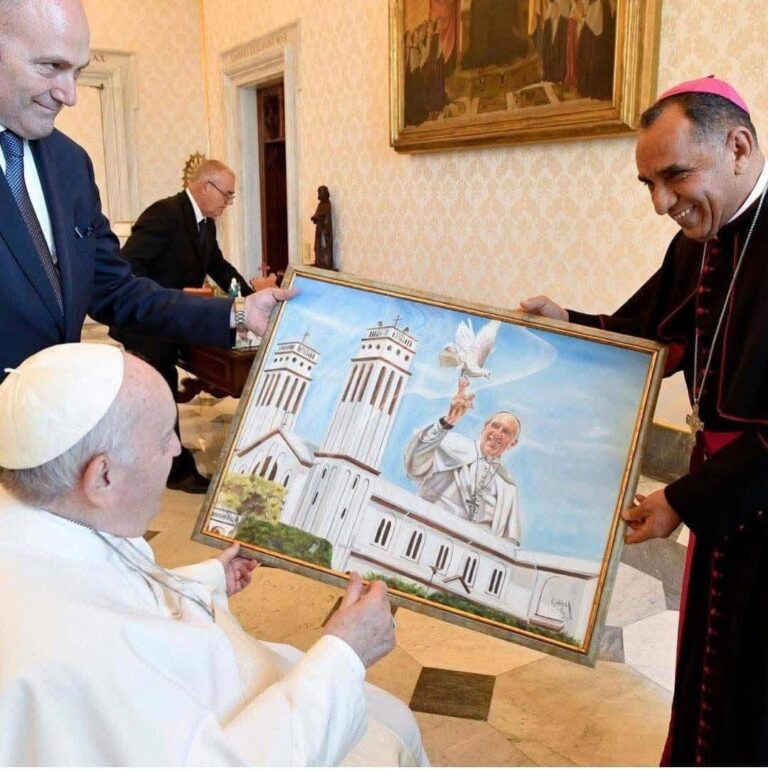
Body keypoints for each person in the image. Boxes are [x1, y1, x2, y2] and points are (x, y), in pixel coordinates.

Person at [0, 342, 428, 766]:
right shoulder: (81, 656)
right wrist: (345, 650)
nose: (176, 449)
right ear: (103, 477)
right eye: (164, 436)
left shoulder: (39, 515)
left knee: (390, 715)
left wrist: (205, 579)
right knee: (394, 731)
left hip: (212, 687)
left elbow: (116, 590)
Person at [521, 76, 768, 765]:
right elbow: (649, 334)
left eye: (674, 176)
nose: (662, 204)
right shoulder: (700, 239)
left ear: (739, 147)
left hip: (751, 499)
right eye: (647, 185)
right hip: (724, 494)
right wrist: (567, 325)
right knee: (712, 673)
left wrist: (682, 502)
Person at [0, 0, 293, 386]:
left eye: (78, 71)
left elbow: (116, 289)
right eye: (52, 66)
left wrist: (237, 313)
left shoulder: (70, 163)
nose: (69, 95)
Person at [110, 160, 254, 493]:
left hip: (172, 321)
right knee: (160, 390)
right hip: (147, 322)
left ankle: (164, 460)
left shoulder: (205, 224)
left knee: (166, 385)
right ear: (206, 186)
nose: (228, 203)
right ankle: (173, 471)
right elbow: (128, 267)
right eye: (227, 195)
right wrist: (172, 295)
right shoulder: (165, 214)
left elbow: (218, 266)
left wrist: (250, 298)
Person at [404, 378, 522, 544]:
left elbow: (509, 541)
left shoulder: (507, 485)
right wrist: (448, 421)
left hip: (471, 551)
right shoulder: (452, 445)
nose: (498, 434)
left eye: (506, 432)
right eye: (495, 426)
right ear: (484, 429)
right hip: (429, 533)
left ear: (512, 443)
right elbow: (415, 465)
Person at [310, 185, 334, 270]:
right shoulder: (320, 204)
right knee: (318, 245)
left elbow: (323, 214)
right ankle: (319, 261)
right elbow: (317, 214)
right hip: (319, 228)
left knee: (324, 246)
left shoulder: (327, 204)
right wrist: (314, 217)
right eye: (319, 193)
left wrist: (317, 217)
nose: (320, 195)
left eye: (322, 193)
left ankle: (326, 263)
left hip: (325, 229)